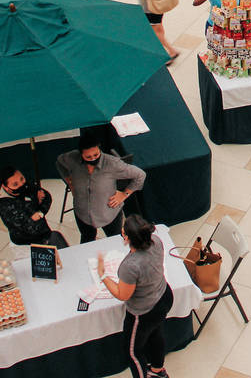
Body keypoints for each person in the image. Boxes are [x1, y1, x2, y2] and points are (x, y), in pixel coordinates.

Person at [98, 215, 173, 378]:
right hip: (164, 296)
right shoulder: (156, 241)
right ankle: (158, 371)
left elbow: (122, 294)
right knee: (156, 332)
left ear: (127, 237)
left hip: (145, 312)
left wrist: (103, 276)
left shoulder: (130, 266)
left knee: (132, 352)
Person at [57, 129, 146, 243]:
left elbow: (140, 175)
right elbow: (59, 162)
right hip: (83, 213)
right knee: (87, 240)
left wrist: (125, 194)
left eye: (96, 154)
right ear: (81, 154)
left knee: (114, 242)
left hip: (108, 214)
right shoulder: (72, 158)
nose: (93, 158)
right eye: (88, 157)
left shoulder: (112, 163)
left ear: (99, 148)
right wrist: (68, 180)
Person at [0, 166, 68, 248]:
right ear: (5, 187)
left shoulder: (25, 185)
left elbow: (46, 197)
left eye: (22, 179)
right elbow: (31, 228)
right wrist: (37, 202)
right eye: (15, 184)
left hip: (43, 233)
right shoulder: (6, 207)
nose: (21, 184)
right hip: (26, 243)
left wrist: (39, 212)